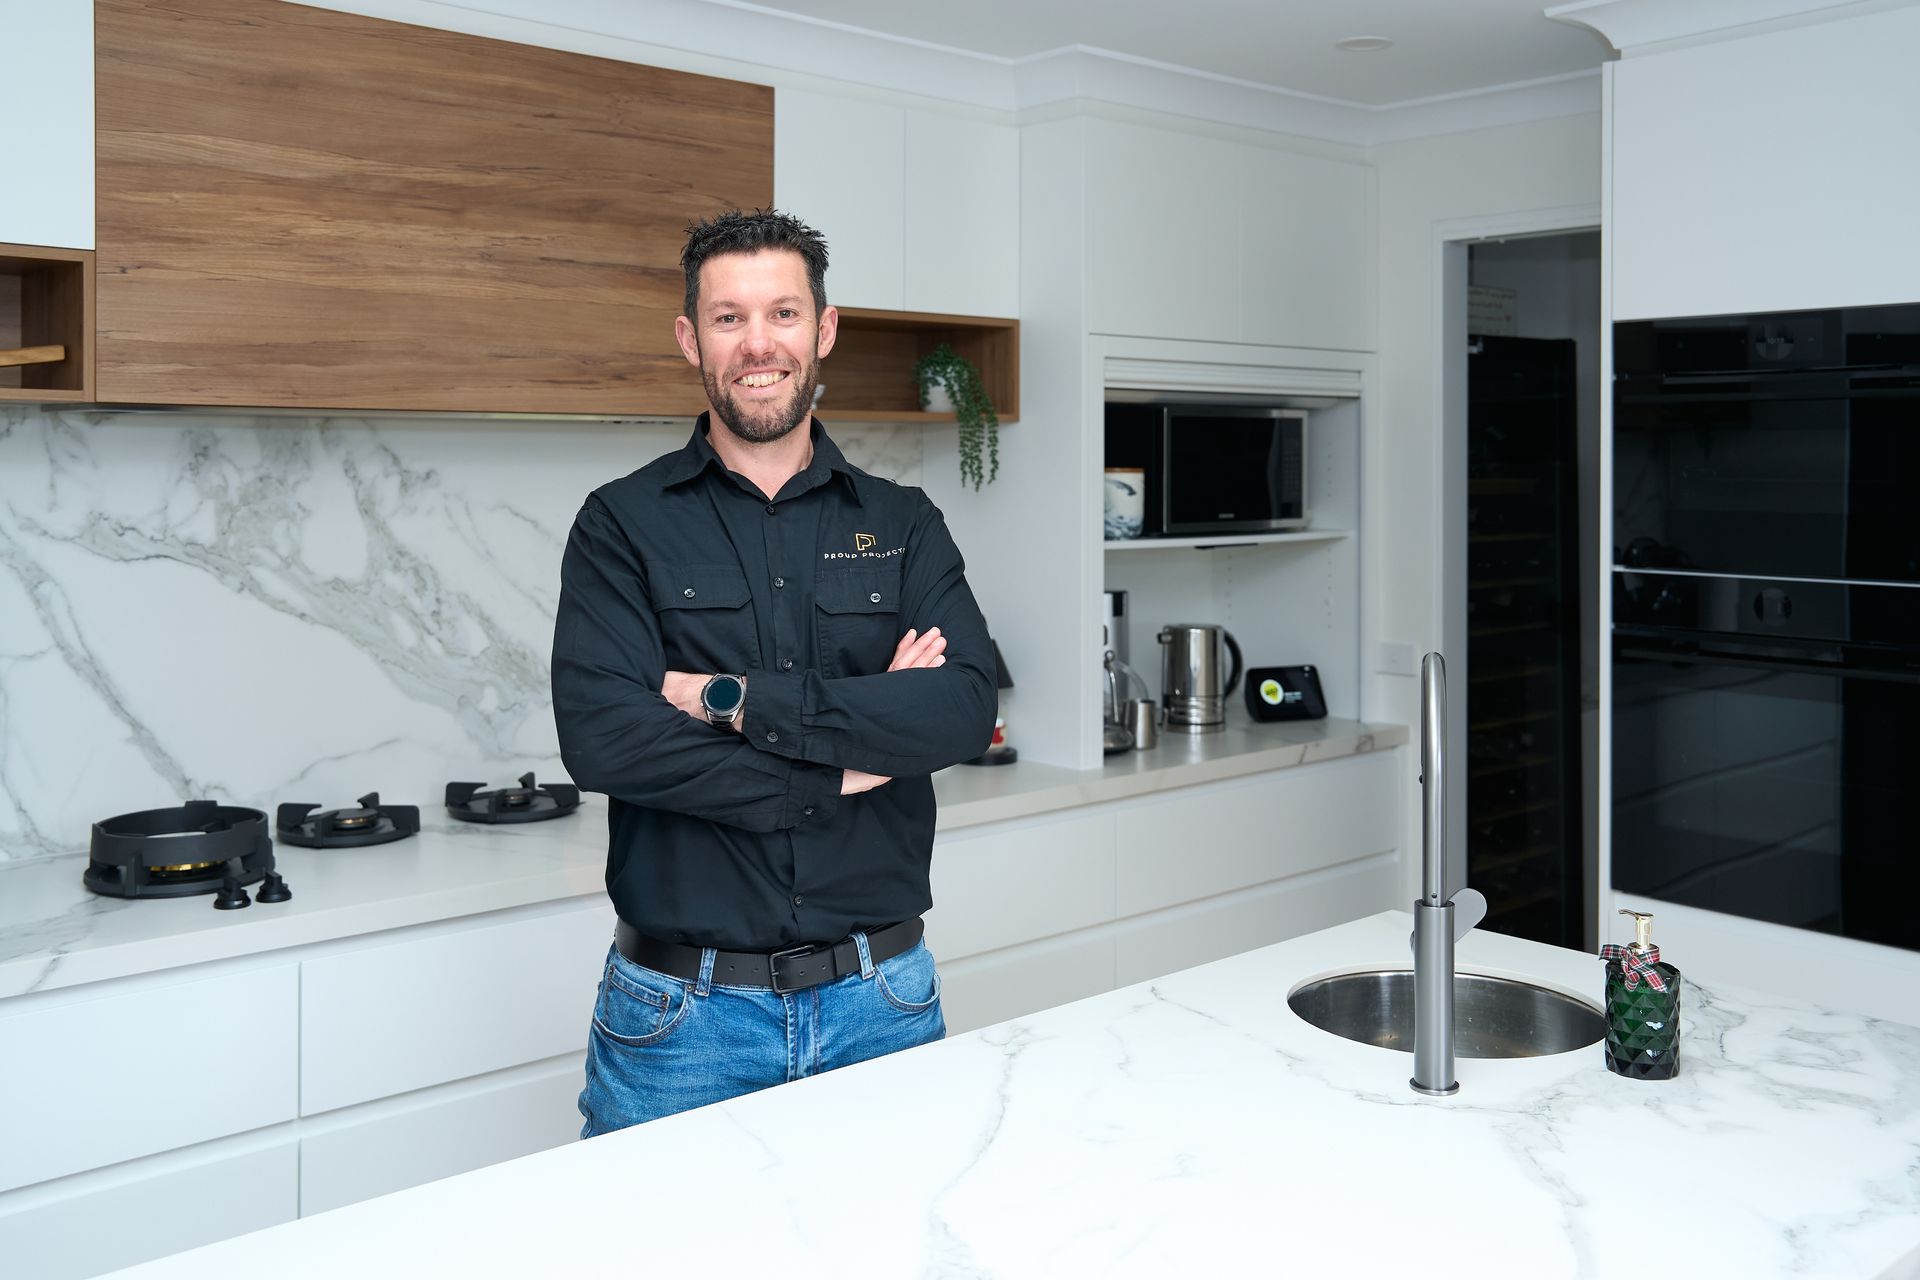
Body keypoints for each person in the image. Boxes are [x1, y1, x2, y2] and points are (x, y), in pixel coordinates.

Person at [551, 208, 998, 1134]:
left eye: (784, 314)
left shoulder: (905, 522)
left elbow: (960, 708)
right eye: (729, 318)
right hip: (681, 1023)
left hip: (885, 1000)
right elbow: (608, 741)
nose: (760, 345)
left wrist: (727, 701)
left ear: (823, 329)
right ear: (690, 339)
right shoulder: (621, 524)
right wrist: (844, 761)